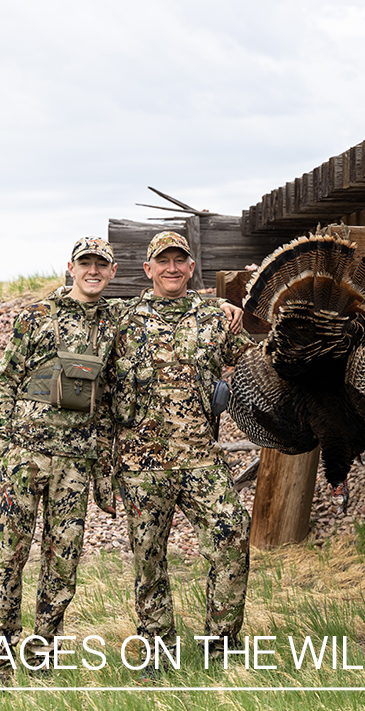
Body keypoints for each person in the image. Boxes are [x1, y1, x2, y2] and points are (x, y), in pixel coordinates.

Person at [110, 230, 253, 672]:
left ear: (192, 268)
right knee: (149, 557)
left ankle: (221, 646)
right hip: (141, 464)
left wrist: (230, 311)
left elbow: (253, 365)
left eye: (180, 260)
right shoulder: (120, 317)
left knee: (233, 534)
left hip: (201, 459)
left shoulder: (215, 318)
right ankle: (158, 649)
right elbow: (77, 303)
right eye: (162, 261)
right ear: (148, 269)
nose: (172, 268)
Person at [0, 237, 120, 683]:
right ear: (71, 267)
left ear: (113, 272)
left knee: (64, 563)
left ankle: (43, 656)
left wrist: (228, 309)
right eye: (86, 263)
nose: (93, 271)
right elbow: (4, 383)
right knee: (9, 557)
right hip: (26, 459)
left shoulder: (117, 323)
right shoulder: (36, 317)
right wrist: (6, 447)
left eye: (102, 264)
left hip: (76, 466)